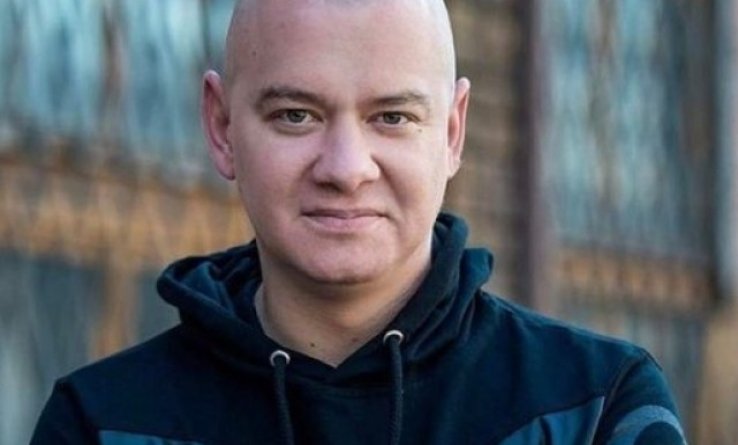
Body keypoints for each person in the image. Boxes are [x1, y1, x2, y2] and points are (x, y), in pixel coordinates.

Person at [31, 0, 687, 444]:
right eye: (296, 116)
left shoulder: (596, 408)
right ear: (222, 127)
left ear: (452, 132)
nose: (346, 169)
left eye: (392, 117)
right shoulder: (101, 423)